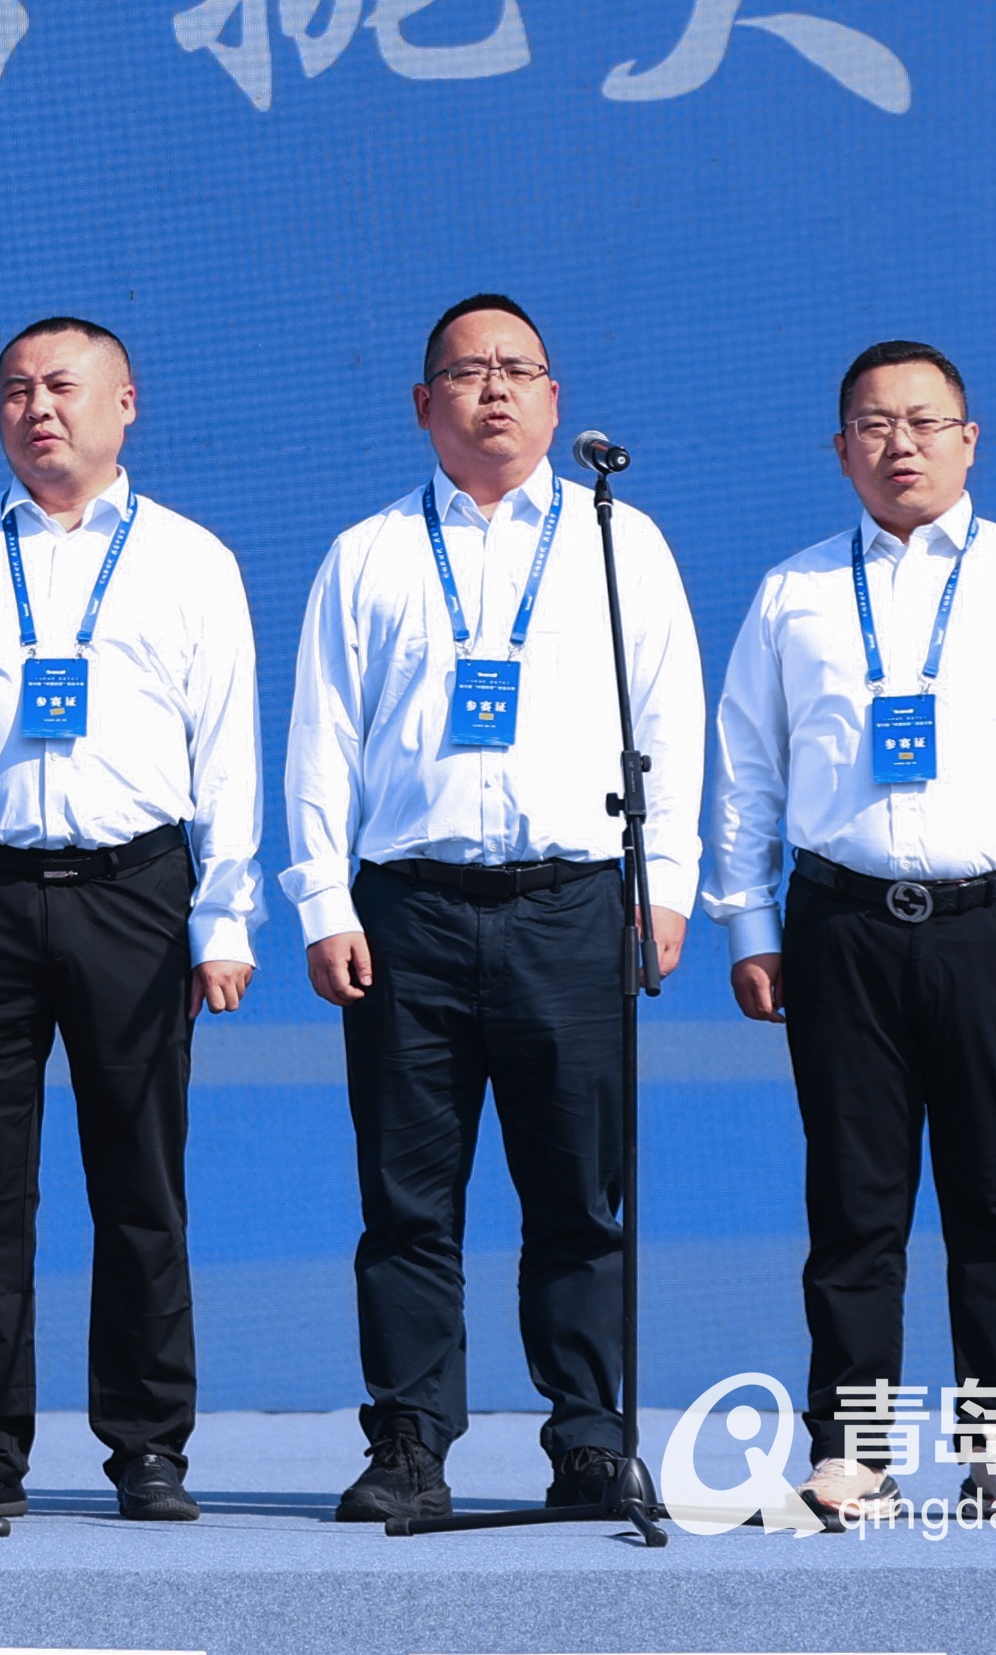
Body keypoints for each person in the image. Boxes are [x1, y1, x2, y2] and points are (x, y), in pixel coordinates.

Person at [706, 340, 996, 1528]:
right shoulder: (794, 591)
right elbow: (745, 766)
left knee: (994, 1195)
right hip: (839, 926)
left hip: (994, 924)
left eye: (923, 420)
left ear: (968, 437)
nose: (899, 443)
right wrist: (748, 920)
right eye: (873, 423)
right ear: (839, 447)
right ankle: (853, 1452)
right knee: (853, 1201)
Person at [282, 294, 698, 1524]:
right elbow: (321, 739)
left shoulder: (620, 542)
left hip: (572, 906)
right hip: (406, 913)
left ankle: (590, 1439)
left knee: (578, 1194)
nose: (495, 388)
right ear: (425, 403)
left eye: (520, 368)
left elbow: (668, 721)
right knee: (407, 1200)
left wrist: (664, 885)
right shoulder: (368, 552)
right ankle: (410, 1442)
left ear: (556, 400)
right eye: (468, 370)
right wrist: (321, 896)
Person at [0, 318, 260, 1526]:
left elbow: (227, 751)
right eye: (16, 389)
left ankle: (148, 1446)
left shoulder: (190, 558)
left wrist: (225, 914)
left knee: (140, 1181)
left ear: (126, 401)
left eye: (64, 386)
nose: (39, 408)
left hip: (136, 892)